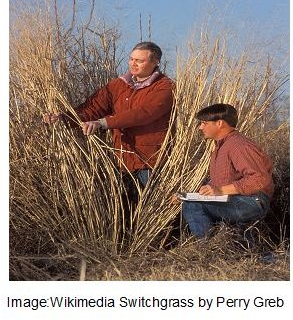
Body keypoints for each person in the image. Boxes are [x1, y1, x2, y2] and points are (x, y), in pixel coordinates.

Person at [43, 41, 174, 202]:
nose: (133, 64)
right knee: (127, 208)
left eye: (139, 61)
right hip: (122, 158)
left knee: (155, 205)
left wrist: (103, 123)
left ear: (155, 62)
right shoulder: (118, 85)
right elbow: (93, 108)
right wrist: (63, 118)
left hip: (151, 159)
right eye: (131, 59)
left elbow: (144, 113)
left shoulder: (165, 87)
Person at [175, 103, 274, 239]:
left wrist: (220, 190)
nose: (200, 127)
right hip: (238, 200)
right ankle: (228, 249)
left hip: (251, 202)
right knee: (191, 201)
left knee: (193, 206)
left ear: (219, 123)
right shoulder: (220, 147)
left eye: (204, 123)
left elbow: (260, 179)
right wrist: (188, 195)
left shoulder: (238, 145)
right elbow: (222, 184)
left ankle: (207, 249)